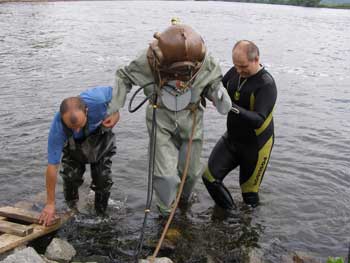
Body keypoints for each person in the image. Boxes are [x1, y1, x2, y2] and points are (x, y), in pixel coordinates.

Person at [103, 23, 232, 215]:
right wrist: (114, 108)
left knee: (191, 172)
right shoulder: (149, 59)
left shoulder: (206, 61)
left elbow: (213, 82)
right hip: (160, 116)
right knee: (165, 174)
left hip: (191, 117)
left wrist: (217, 93)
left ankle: (183, 202)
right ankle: (165, 213)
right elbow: (124, 75)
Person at [202, 40, 277, 208]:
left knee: (249, 195)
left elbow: (259, 120)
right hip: (232, 139)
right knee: (209, 178)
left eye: (243, 67)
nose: (239, 71)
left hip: (256, 146)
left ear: (256, 59)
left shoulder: (266, 84)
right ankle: (230, 218)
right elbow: (219, 87)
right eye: (236, 66)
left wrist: (231, 107)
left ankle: (250, 227)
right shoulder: (236, 71)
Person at [39, 86, 119, 226]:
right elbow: (52, 166)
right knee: (70, 176)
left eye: (79, 125)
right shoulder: (58, 128)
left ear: (86, 111)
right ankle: (72, 210)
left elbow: (119, 90)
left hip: (99, 136)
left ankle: (101, 216)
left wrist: (116, 112)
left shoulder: (98, 99)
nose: (76, 129)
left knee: (102, 178)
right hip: (73, 144)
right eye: (71, 127)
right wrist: (50, 203)